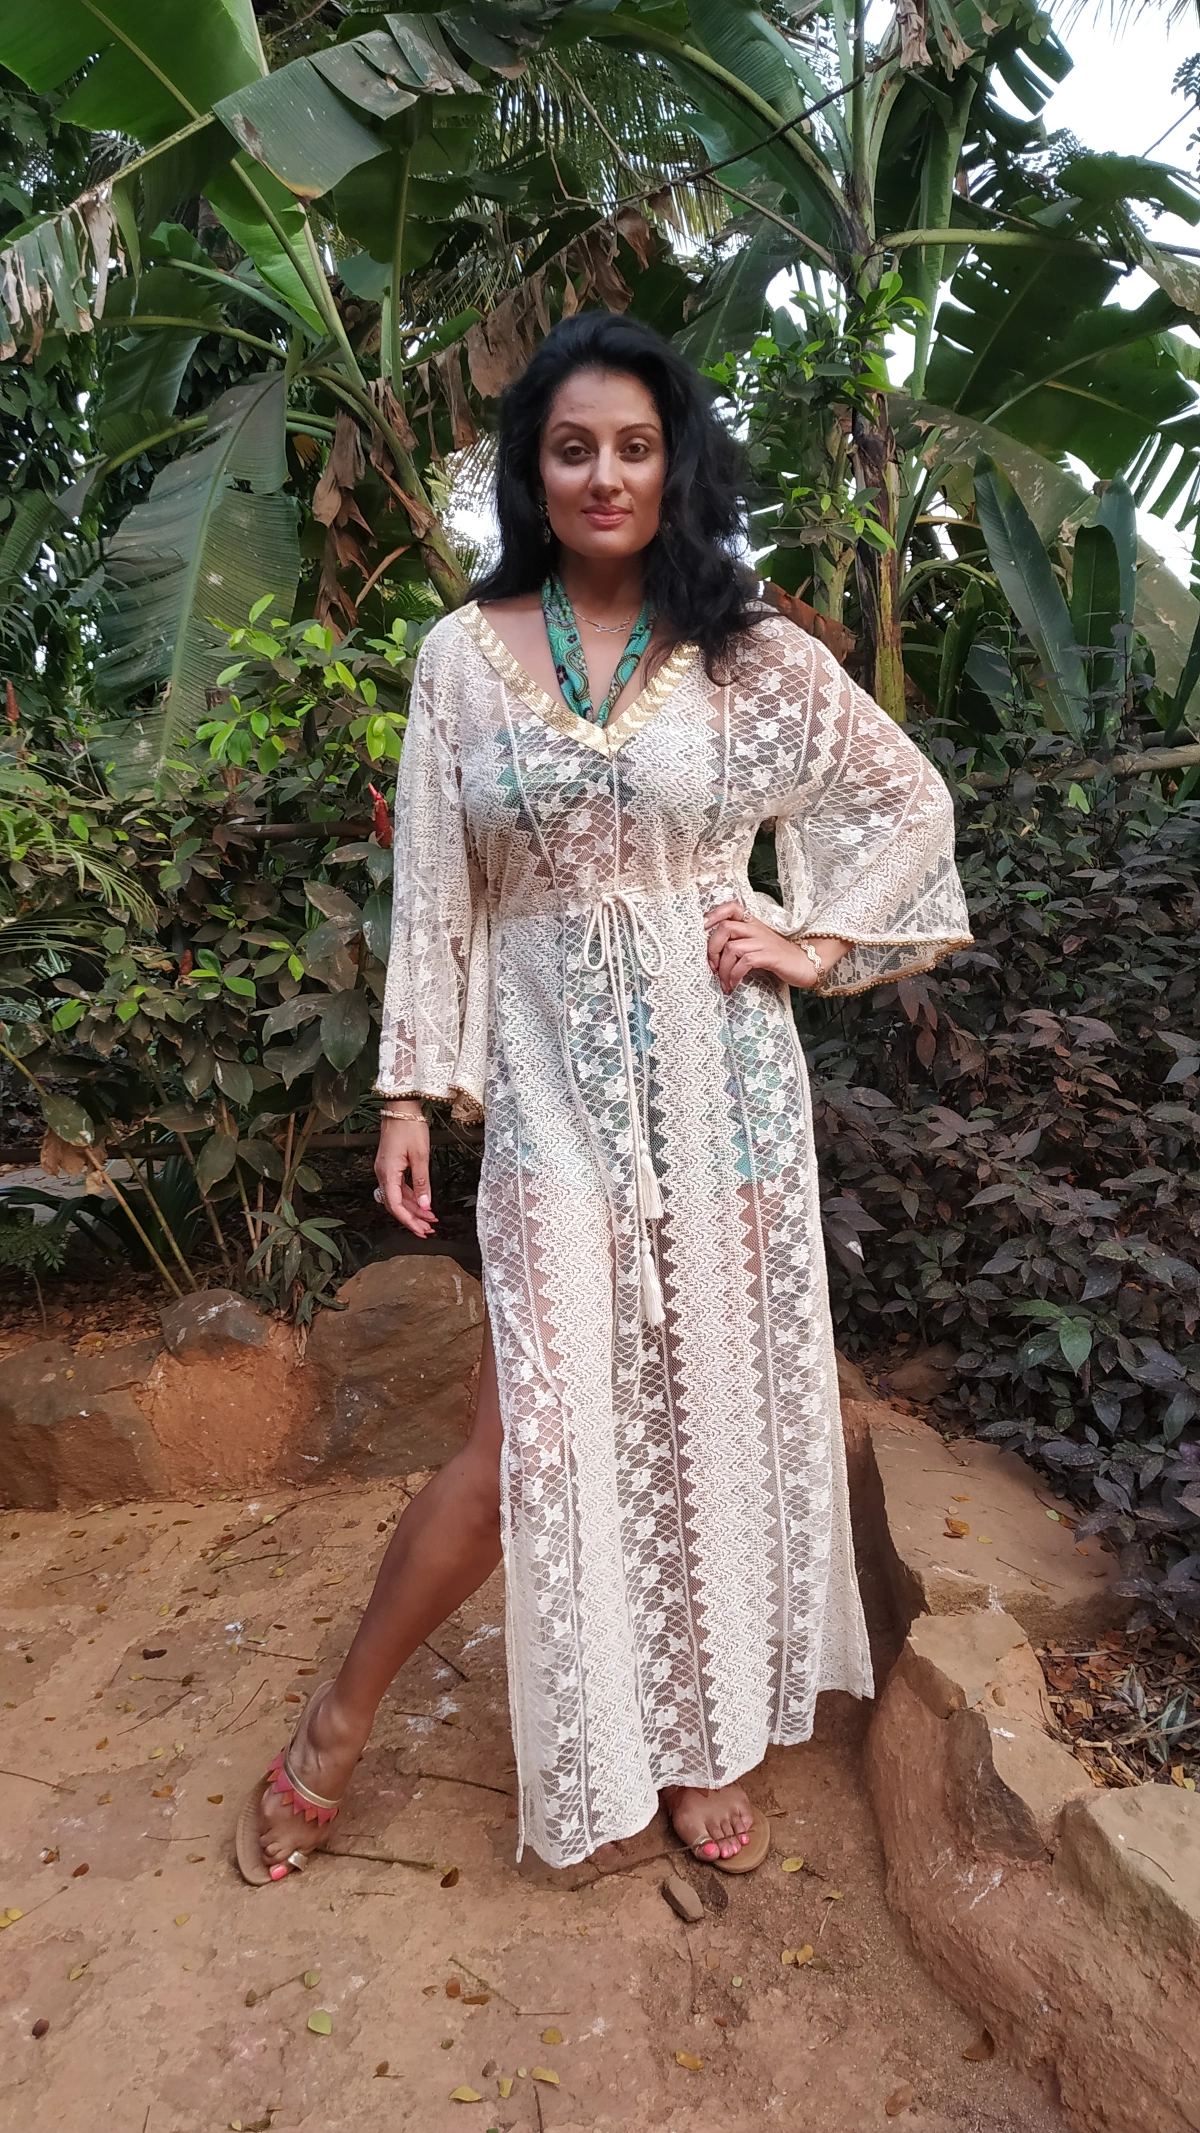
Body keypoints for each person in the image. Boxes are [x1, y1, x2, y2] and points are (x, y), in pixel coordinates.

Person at [236, 310, 970, 1885]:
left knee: (709, 1418)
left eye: (636, 446)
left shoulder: (744, 648)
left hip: (727, 1098)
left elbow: (906, 800)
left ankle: (700, 1745)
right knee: (530, 1449)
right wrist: (409, 1091)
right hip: (553, 1105)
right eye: (574, 448)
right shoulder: (463, 659)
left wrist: (810, 940)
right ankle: (335, 1727)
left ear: (675, 463)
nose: (606, 475)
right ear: (534, 469)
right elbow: (440, 894)